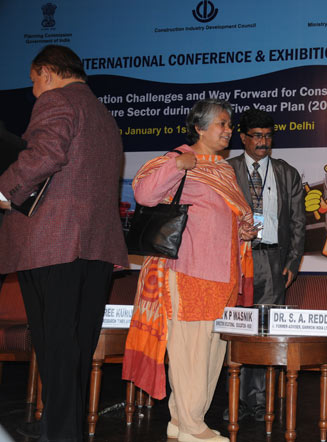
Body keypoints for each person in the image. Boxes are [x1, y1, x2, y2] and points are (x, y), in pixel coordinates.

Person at [0, 45, 129, 441]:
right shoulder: (103, 114)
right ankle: (61, 430)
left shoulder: (57, 100)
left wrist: (4, 191)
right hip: (95, 247)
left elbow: (45, 154)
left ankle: (59, 434)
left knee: (55, 348)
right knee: (75, 351)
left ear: (48, 72)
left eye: (34, 80)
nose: (34, 90)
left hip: (53, 244)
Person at [122, 99, 255, 442]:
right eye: (222, 124)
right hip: (188, 271)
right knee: (190, 352)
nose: (228, 130)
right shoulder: (178, 159)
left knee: (211, 354)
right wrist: (177, 165)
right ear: (199, 127)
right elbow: (144, 193)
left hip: (223, 276)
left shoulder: (223, 169)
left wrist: (242, 229)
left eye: (229, 124)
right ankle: (194, 427)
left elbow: (224, 216)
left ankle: (182, 420)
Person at [226, 108, 306, 421]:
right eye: (257, 136)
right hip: (237, 260)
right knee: (238, 331)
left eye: (268, 136)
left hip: (274, 262)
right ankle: (235, 400)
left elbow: (298, 222)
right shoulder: (227, 170)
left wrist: (293, 262)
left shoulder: (287, 172)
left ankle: (258, 402)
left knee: (265, 332)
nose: (264, 142)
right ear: (243, 138)